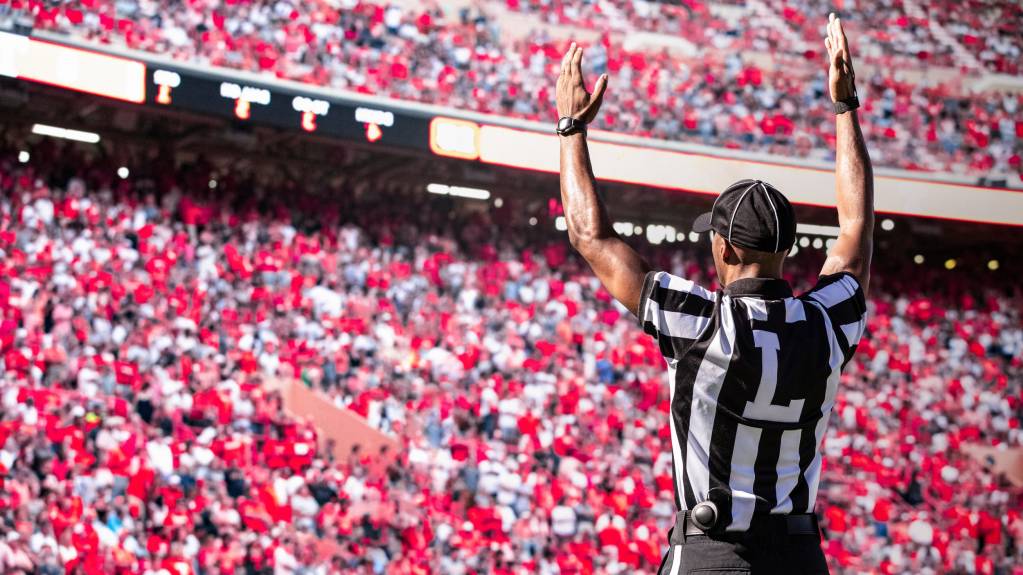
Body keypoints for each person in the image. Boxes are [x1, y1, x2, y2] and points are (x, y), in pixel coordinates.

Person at [555, 12, 873, 575]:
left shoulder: (697, 320)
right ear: (788, 249)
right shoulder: (827, 323)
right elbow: (855, 232)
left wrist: (570, 129)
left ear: (724, 249)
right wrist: (846, 108)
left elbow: (590, 235)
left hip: (713, 553)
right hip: (800, 557)